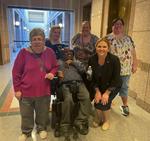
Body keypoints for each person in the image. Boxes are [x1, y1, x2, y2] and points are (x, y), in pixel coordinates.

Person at [12, 28, 58, 141]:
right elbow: (16, 72)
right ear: (30, 41)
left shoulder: (49, 52)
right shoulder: (23, 53)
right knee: (26, 114)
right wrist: (17, 89)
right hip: (26, 91)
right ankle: (26, 132)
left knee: (43, 112)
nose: (37, 41)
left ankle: (41, 128)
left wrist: (52, 73)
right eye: (34, 39)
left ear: (43, 40)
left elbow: (55, 66)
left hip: (44, 90)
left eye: (40, 39)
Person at [106, 18, 138, 116]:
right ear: (112, 26)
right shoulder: (107, 38)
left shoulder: (128, 38)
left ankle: (124, 105)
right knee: (109, 87)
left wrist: (135, 64)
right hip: (111, 69)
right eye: (116, 24)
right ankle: (108, 102)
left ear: (123, 26)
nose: (118, 26)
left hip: (125, 69)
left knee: (124, 87)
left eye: (120, 24)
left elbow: (133, 52)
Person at [88, 38, 122, 130]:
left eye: (104, 47)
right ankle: (99, 118)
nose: (101, 49)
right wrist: (97, 91)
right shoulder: (92, 59)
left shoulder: (114, 60)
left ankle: (106, 120)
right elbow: (91, 78)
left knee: (104, 102)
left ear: (108, 48)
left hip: (113, 85)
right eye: (99, 46)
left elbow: (116, 79)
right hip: (98, 85)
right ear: (96, 48)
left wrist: (107, 93)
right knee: (97, 100)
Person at [57, 48, 92, 138]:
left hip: (79, 83)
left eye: (70, 52)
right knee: (68, 100)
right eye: (65, 53)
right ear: (62, 55)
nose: (68, 54)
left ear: (73, 54)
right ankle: (65, 125)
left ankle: (80, 121)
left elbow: (83, 70)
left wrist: (73, 63)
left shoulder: (77, 62)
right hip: (66, 84)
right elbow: (53, 70)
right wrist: (57, 73)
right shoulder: (59, 62)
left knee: (87, 97)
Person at [71, 21, 99, 100]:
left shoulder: (95, 39)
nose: (85, 29)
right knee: (77, 83)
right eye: (83, 27)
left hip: (89, 65)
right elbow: (72, 48)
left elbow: (98, 52)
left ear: (90, 28)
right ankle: (78, 100)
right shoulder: (76, 37)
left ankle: (88, 100)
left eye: (87, 27)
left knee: (88, 84)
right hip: (77, 64)